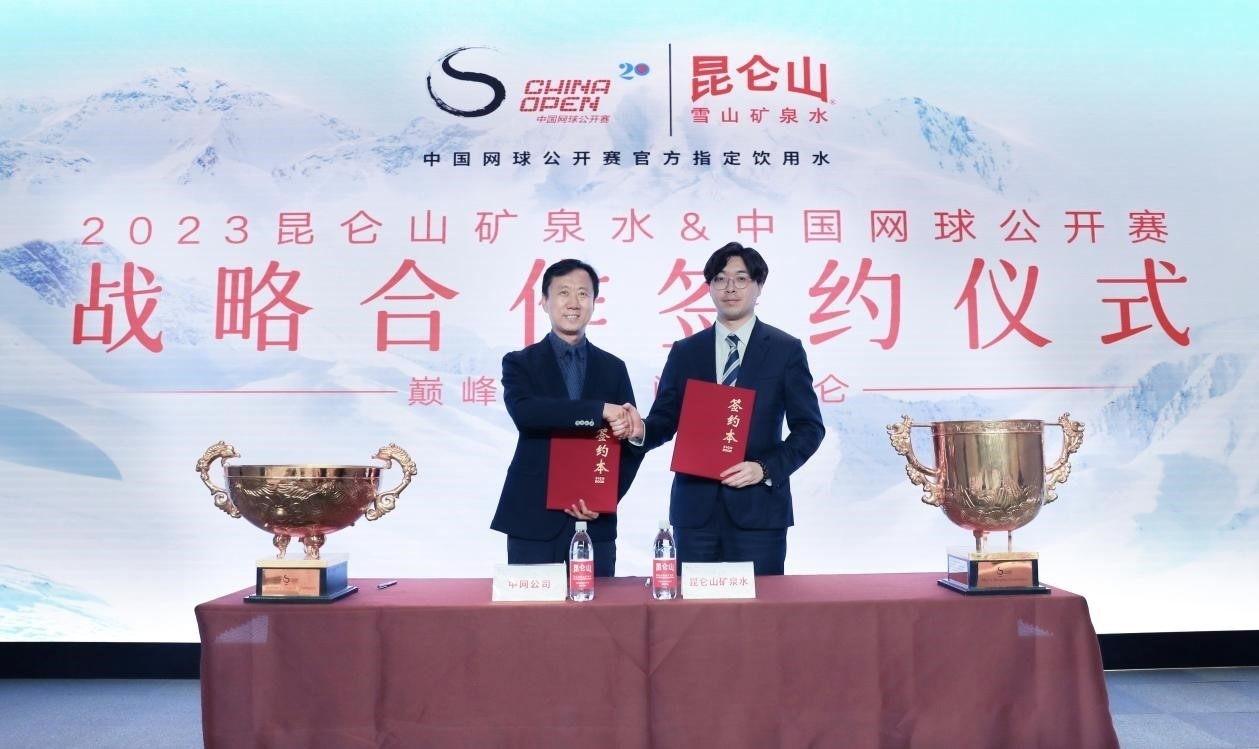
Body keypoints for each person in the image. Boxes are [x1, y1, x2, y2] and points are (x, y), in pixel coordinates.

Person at [626, 242, 824, 575]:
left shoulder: (785, 350)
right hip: (695, 513)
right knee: (694, 607)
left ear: (759, 286)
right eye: (719, 279)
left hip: (759, 513)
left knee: (760, 607)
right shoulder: (686, 351)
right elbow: (665, 419)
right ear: (709, 287)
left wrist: (765, 469)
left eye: (741, 278)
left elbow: (809, 429)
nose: (729, 287)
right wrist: (640, 430)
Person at [491, 258, 642, 577]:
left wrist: (605, 498)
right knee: (532, 608)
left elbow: (629, 446)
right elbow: (526, 414)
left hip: (595, 520)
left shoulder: (614, 368)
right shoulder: (519, 363)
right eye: (563, 292)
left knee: (599, 609)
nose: (574, 302)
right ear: (544, 302)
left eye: (583, 294)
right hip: (532, 516)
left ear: (594, 303)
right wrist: (598, 410)